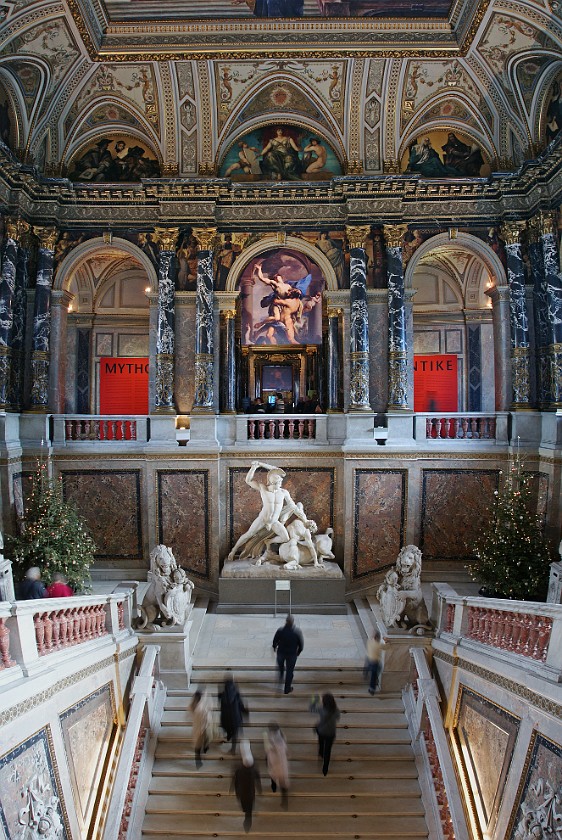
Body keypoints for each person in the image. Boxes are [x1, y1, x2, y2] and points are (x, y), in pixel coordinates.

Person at [227, 461, 316, 563]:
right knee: (249, 534)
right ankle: (233, 551)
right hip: (263, 519)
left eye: (280, 482)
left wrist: (305, 520)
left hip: (274, 522)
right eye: (278, 483)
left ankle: (268, 541)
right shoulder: (263, 488)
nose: (280, 484)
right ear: (272, 482)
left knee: (285, 538)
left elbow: (294, 507)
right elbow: (248, 480)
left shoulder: (284, 493)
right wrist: (254, 467)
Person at [231, 739, 261, 833]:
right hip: (250, 793)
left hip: (241, 793)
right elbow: (257, 779)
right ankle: (247, 822)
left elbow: (235, 781)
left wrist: (232, 788)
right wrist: (259, 788)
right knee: (249, 810)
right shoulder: (253, 769)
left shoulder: (239, 769)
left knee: (246, 808)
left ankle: (247, 823)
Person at [310, 692, 340, 776]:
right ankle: (325, 768)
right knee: (328, 750)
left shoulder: (321, 709)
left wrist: (314, 700)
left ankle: (320, 753)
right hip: (331, 733)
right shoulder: (336, 710)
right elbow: (337, 718)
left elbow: (311, 709)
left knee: (321, 742)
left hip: (322, 731)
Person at [272, 614, 304, 694]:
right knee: (290, 671)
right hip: (292, 654)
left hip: (281, 653)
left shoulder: (280, 631)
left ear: (286, 621)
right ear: (292, 622)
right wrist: (299, 652)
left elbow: (275, 641)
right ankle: (287, 689)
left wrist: (274, 647)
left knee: (281, 669)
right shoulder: (297, 632)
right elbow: (301, 644)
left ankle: (280, 681)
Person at [219, 674, 248, 754]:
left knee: (228, 729)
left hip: (226, 718)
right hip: (235, 718)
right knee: (235, 734)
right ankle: (233, 749)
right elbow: (241, 706)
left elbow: (220, 707)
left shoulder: (223, 695)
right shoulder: (236, 695)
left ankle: (228, 736)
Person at [263, 722, 289, 809]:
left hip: (274, 761)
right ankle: (284, 800)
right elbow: (285, 748)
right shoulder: (282, 736)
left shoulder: (270, 737)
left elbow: (267, 749)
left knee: (273, 774)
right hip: (282, 762)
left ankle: (273, 787)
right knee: (282, 781)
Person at [191, 689, 213, 768]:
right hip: (203, 728)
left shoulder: (192, 705)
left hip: (196, 729)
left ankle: (198, 762)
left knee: (197, 747)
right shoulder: (202, 708)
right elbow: (207, 718)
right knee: (206, 738)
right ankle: (205, 748)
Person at [364, 630, 384, 695]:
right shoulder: (378, 645)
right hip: (374, 662)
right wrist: (388, 642)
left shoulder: (369, 641)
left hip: (368, 658)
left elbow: (371, 639)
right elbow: (387, 647)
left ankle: (365, 674)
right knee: (374, 675)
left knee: (367, 666)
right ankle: (372, 689)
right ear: (378, 638)